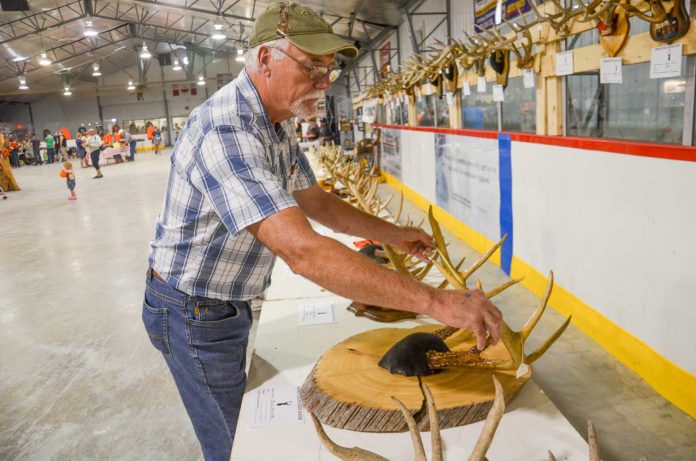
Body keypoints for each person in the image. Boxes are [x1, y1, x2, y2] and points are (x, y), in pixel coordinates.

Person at [143, 3, 503, 460]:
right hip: (191, 310)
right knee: (236, 443)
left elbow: (314, 201)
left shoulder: (275, 122)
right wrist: (437, 302)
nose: (323, 81)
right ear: (265, 59)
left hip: (226, 301)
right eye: (311, 67)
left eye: (328, 69)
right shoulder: (227, 131)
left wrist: (392, 234)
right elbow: (304, 253)